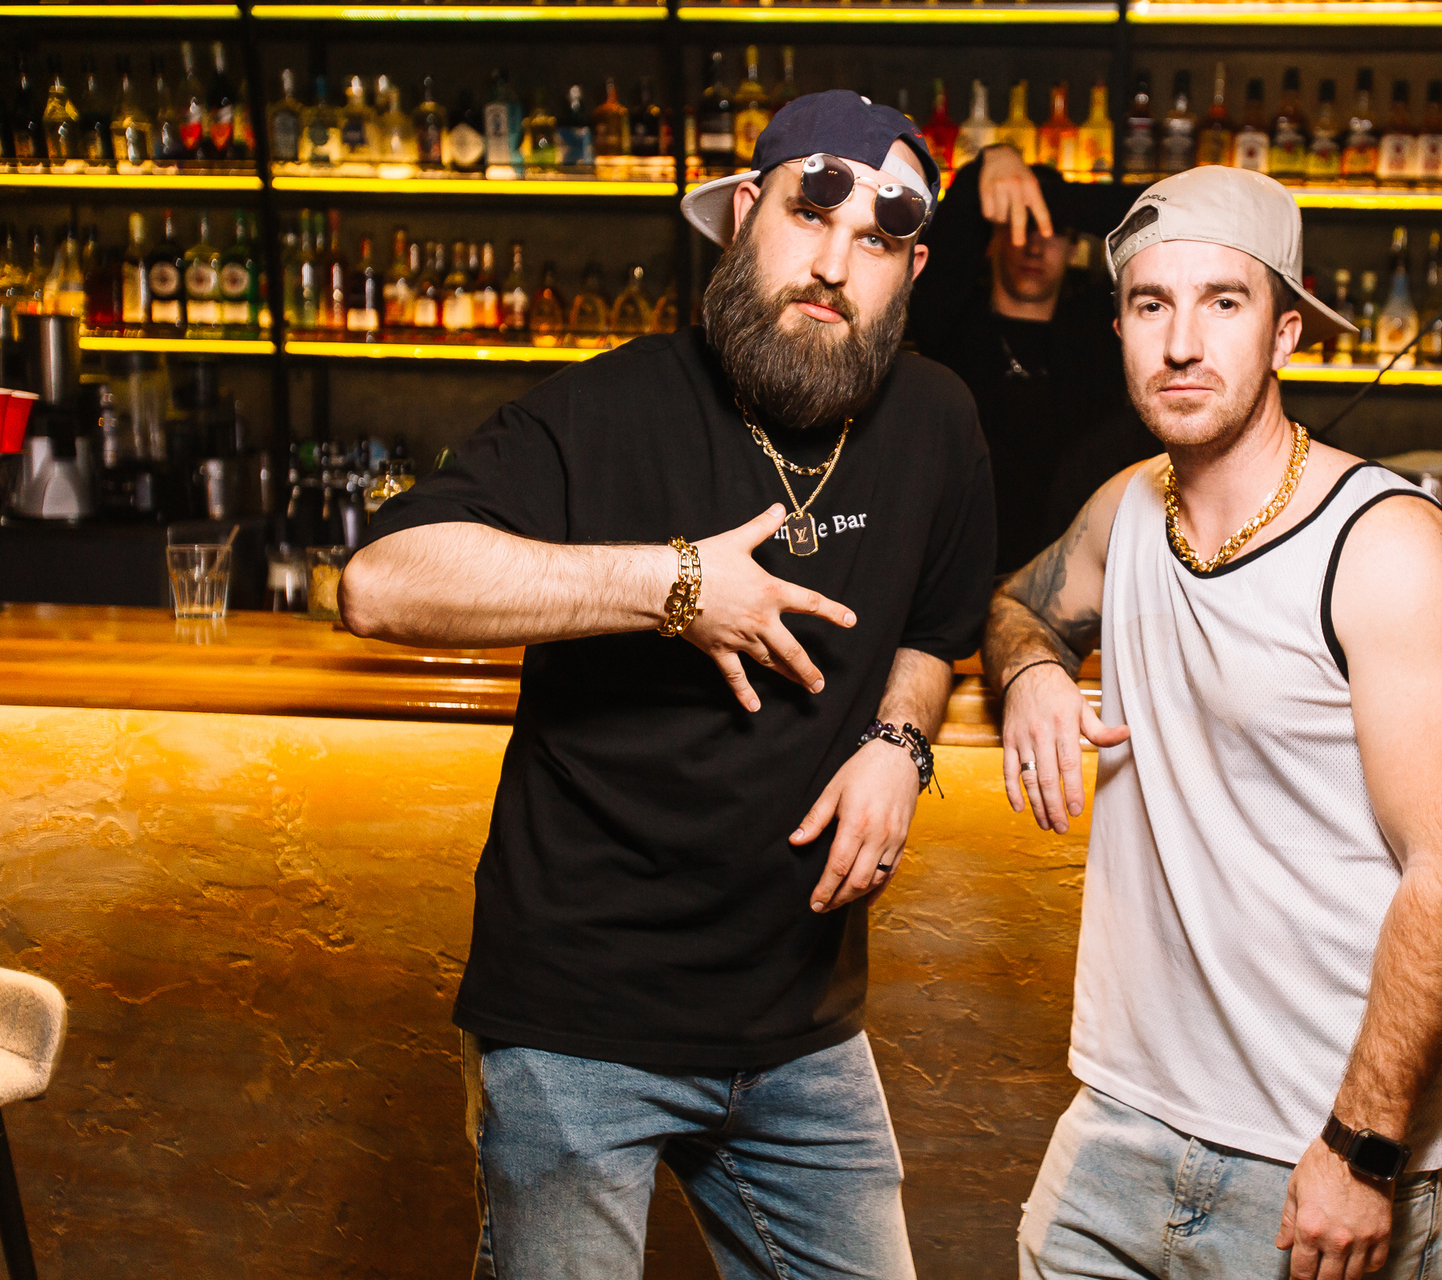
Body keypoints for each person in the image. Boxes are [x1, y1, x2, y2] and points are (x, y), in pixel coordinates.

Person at [338, 90, 996, 1279]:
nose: (834, 265)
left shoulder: (937, 421)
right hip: (579, 1027)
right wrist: (675, 584)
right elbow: (381, 582)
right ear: (745, 213)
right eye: (809, 215)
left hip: (801, 1030)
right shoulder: (608, 405)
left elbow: (938, 627)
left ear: (911, 270)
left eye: (877, 240)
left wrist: (901, 743)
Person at [983, 165, 1442, 1280]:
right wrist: (1033, 672)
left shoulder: (1391, 549)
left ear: (1285, 332)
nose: (1181, 343)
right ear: (1120, 329)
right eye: (1151, 304)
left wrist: (1363, 1147)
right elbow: (1018, 606)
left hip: (1324, 1151)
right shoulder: (1126, 511)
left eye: (1223, 301)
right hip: (1122, 1119)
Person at [909, 146, 1158, 574]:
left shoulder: (1102, 333)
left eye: (1053, 229)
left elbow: (1160, 211)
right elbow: (950, 234)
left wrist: (1041, 196)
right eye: (1020, 224)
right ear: (992, 239)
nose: (1036, 245)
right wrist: (994, 160)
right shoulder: (950, 323)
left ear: (1075, 246)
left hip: (1081, 577)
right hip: (962, 575)